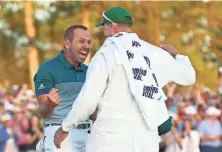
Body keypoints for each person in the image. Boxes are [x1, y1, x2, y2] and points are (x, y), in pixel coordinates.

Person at [54, 7, 196, 152]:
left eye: (105, 25)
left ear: (112, 26)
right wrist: (177, 56)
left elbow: (88, 99)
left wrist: (66, 127)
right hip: (146, 140)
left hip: (111, 139)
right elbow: (189, 77)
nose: (104, 30)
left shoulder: (106, 54)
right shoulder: (154, 53)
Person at [34, 25, 92, 151]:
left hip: (88, 136)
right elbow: (43, 112)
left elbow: (92, 111)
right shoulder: (47, 69)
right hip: (59, 138)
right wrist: (50, 104)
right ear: (67, 43)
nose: (86, 46)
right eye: (81, 41)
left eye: (89, 42)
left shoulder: (89, 71)